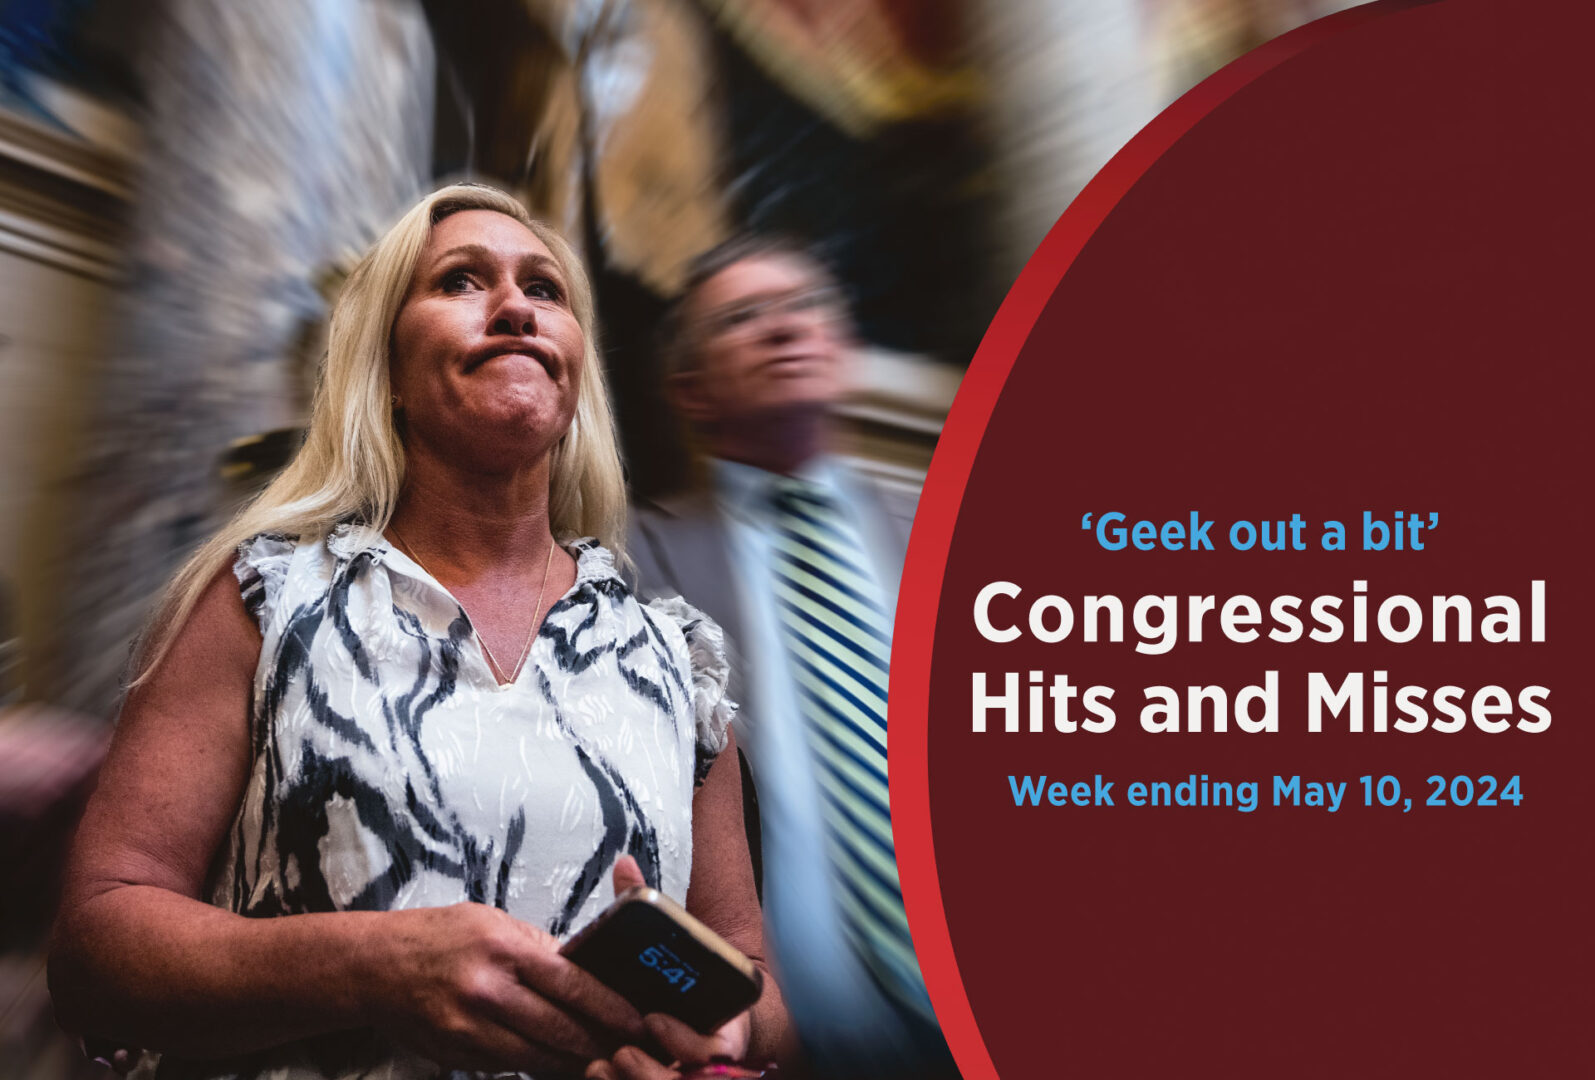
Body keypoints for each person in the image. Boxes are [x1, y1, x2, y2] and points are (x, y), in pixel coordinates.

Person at [48, 183, 784, 1080]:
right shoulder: (267, 598)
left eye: (544, 290)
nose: (515, 306)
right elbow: (97, 946)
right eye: (461, 282)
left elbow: (758, 989)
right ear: (388, 374)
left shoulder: (676, 659)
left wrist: (718, 1047)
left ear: (576, 373)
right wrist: (375, 967)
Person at [628, 236, 957, 1079]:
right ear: (689, 390)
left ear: (842, 352)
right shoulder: (633, 561)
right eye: (744, 319)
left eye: (805, 307)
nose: (785, 330)